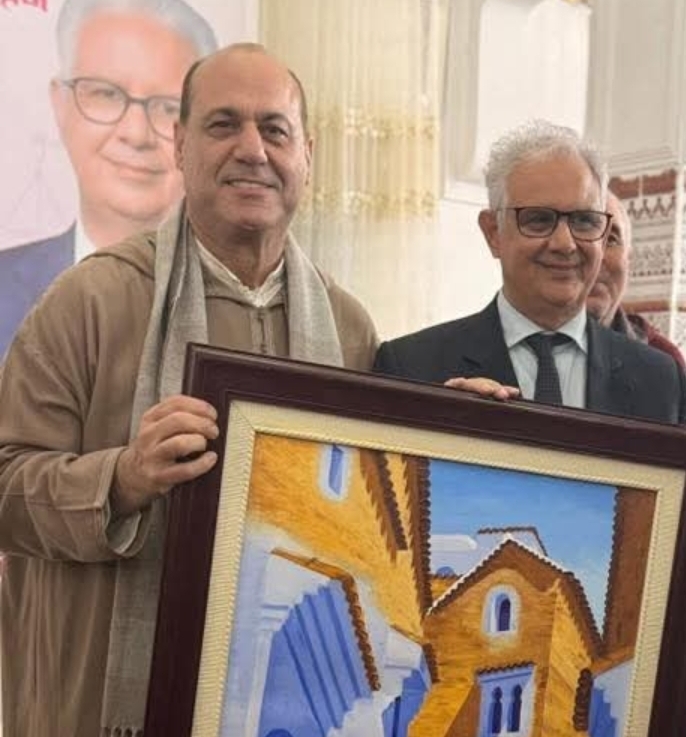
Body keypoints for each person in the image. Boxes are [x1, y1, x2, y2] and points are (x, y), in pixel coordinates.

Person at [0, 44, 379, 737]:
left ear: (307, 154)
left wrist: (463, 428)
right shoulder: (93, 300)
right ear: (179, 144)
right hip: (99, 708)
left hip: (282, 707)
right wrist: (122, 479)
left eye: (274, 129)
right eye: (223, 124)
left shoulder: (348, 329)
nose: (252, 149)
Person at [374, 120, 686, 427]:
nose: (565, 244)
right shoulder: (412, 369)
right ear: (493, 233)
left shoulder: (662, 383)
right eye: (539, 220)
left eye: (584, 221)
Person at [0, 0, 217, 355]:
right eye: (107, 94)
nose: (136, 133)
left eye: (169, 107)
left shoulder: (245, 311)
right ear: (60, 104)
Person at [586, 191, 686, 368]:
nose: (597, 256)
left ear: (629, 260)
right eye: (585, 238)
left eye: (611, 240)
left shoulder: (662, 360)